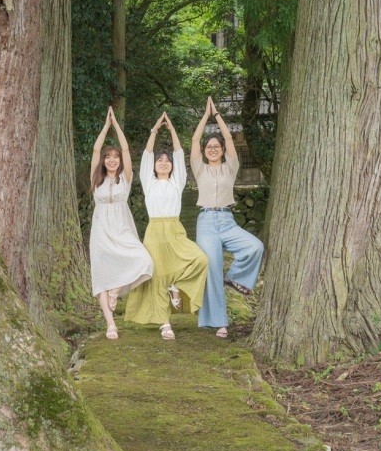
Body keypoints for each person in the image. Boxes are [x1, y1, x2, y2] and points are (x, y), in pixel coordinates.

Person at [125, 112, 208, 340]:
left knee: (200, 259)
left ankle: (176, 286)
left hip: (174, 229)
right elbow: (146, 155)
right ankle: (165, 323)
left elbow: (180, 155)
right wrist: (154, 131)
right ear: (154, 167)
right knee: (157, 277)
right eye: (160, 161)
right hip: (154, 232)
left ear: (172, 167)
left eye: (167, 161)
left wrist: (172, 131)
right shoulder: (149, 182)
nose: (163, 163)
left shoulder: (177, 182)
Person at [191, 96, 264, 338]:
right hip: (206, 222)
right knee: (211, 267)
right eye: (209, 147)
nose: (212, 149)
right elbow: (193, 139)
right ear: (204, 151)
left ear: (222, 150)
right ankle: (220, 322)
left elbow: (230, 138)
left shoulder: (230, 167)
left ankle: (233, 278)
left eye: (216, 147)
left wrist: (218, 115)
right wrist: (205, 115)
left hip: (227, 220)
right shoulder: (199, 167)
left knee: (255, 246)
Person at [90, 106, 153, 340]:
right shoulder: (96, 179)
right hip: (101, 231)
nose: (112, 160)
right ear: (104, 161)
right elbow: (96, 149)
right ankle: (110, 324)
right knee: (101, 276)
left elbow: (126, 148)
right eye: (109, 157)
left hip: (122, 227)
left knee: (144, 261)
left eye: (115, 157)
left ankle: (116, 291)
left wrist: (116, 124)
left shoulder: (125, 178)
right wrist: (105, 127)